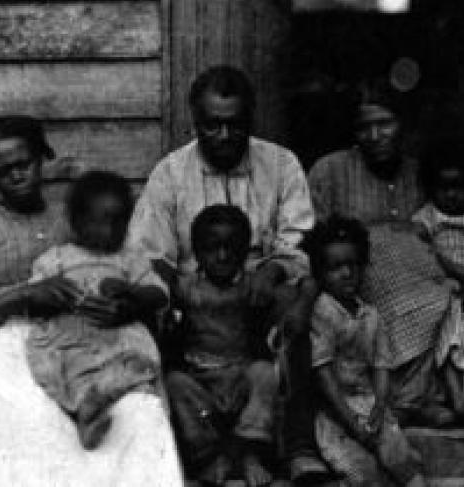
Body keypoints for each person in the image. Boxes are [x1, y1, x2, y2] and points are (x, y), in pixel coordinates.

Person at [0, 116, 183, 487]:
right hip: (2, 341)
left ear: (43, 159)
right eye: (2, 171)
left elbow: (126, 269)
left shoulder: (76, 215)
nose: (16, 176)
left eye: (24, 164)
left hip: (86, 333)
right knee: (26, 412)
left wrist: (125, 305)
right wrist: (24, 294)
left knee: (135, 408)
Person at [129, 65, 328, 482]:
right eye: (212, 125)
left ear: (249, 119)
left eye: (234, 125)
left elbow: (298, 239)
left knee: (303, 311)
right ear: (195, 121)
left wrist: (272, 269)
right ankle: (192, 454)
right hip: (194, 297)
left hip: (260, 290)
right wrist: (170, 297)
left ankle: (297, 446)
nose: (223, 136)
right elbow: (152, 253)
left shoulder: (281, 164)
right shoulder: (170, 174)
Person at [308, 84, 454, 427]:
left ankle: (417, 398)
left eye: (385, 123)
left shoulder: (420, 174)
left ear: (405, 125)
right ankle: (403, 401)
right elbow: (315, 239)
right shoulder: (330, 171)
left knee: (445, 298)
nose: (374, 135)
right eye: (364, 127)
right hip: (359, 279)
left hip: (419, 275)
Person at [26, 170, 168, 448]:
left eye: (119, 223)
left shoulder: (131, 259)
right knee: (69, 370)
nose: (111, 231)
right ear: (78, 222)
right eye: (101, 222)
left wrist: (131, 292)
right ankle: (86, 413)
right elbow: (35, 298)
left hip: (119, 335)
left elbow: (158, 294)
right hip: (72, 335)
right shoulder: (56, 259)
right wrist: (54, 293)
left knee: (140, 368)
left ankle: (98, 401)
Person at [305, 215, 428, 487]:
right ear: (321, 273)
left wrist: (380, 405)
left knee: (402, 460)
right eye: (335, 267)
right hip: (334, 412)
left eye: (353, 265)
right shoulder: (323, 312)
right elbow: (324, 376)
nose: (347, 274)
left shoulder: (370, 314)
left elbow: (380, 365)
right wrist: (351, 422)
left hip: (369, 403)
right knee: (362, 472)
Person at [167, 205, 283, 487]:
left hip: (240, 376)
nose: (222, 256)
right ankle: (209, 458)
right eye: (212, 248)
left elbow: (284, 294)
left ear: (246, 250)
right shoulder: (186, 288)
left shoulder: (252, 286)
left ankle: (249, 454)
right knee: (174, 383)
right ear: (196, 251)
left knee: (266, 374)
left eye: (232, 248)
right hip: (201, 381)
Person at [412, 136, 464, 427]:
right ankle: (456, 395)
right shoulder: (429, 216)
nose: (452, 195)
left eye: (460, 187)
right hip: (444, 289)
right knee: (442, 331)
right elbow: (418, 245)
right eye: (445, 188)